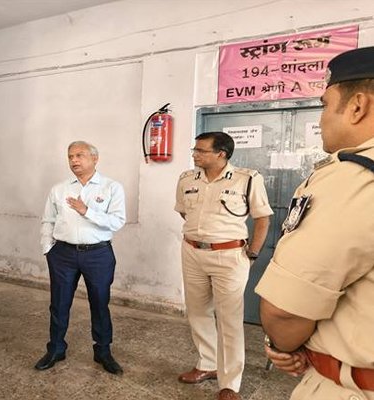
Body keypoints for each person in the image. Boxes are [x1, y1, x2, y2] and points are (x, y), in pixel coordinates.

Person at [257, 46, 374, 400]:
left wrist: (283, 345)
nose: (321, 119)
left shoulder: (354, 180)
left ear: (357, 106)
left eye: (324, 105)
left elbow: (284, 312)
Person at [174, 131, 273, 400]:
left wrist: (252, 253)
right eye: (194, 149)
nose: (195, 154)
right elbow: (185, 211)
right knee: (197, 311)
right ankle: (207, 364)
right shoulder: (187, 179)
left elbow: (262, 218)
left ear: (221, 154)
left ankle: (230, 382)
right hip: (192, 252)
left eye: (201, 150)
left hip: (229, 256)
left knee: (229, 319)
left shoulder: (247, 179)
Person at [35, 141, 126, 375]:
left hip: (98, 254)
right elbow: (48, 220)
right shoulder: (59, 189)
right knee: (59, 303)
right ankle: (56, 349)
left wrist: (87, 211)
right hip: (63, 254)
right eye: (70, 156)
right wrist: (48, 249)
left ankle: (103, 351)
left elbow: (117, 221)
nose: (74, 160)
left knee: (100, 303)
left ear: (95, 158)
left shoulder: (111, 187)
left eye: (79, 155)